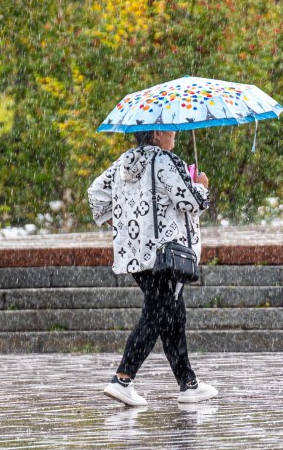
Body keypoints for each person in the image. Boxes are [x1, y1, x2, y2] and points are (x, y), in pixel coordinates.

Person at [88, 130, 217, 407]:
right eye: (170, 129)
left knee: (173, 314)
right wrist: (201, 186)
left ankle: (189, 384)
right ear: (158, 134)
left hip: (137, 256)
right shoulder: (165, 161)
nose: (175, 133)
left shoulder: (124, 162)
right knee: (157, 315)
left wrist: (125, 226)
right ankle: (123, 378)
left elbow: (96, 194)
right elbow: (190, 202)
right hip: (166, 255)